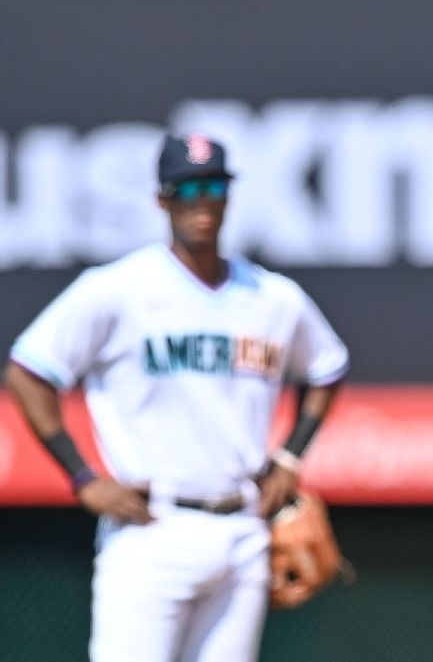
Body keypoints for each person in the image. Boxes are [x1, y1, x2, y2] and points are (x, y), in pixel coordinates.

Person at [4, 133, 349, 662]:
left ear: (228, 197)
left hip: (243, 527)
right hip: (151, 528)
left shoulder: (273, 298)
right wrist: (81, 476)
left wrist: (290, 455)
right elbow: (29, 371)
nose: (200, 203)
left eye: (211, 188)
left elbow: (327, 368)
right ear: (162, 200)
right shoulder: (118, 289)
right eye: (185, 190)